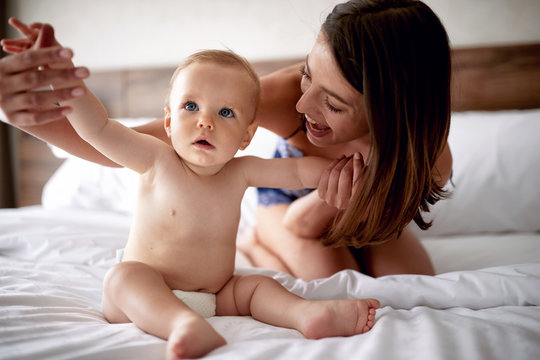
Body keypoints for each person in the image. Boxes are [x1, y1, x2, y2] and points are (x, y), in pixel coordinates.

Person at [0, 0, 452, 281]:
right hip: (290, 204)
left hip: (369, 211)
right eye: (307, 76)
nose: (302, 105)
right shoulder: (279, 97)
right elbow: (119, 145)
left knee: (411, 285)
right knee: (331, 276)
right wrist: (19, 114)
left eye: (332, 104)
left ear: (391, 112)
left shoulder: (425, 155)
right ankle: (256, 241)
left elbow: (383, 220)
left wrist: (364, 195)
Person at [4, 24, 381, 358]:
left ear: (248, 135)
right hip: (149, 291)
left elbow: (299, 170)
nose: (205, 121)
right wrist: (64, 79)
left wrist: (346, 173)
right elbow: (98, 129)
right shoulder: (155, 159)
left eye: (226, 113)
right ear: (168, 122)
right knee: (122, 277)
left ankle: (306, 315)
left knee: (257, 286)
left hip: (217, 295)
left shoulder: (241, 172)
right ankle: (182, 325)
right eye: (190, 106)